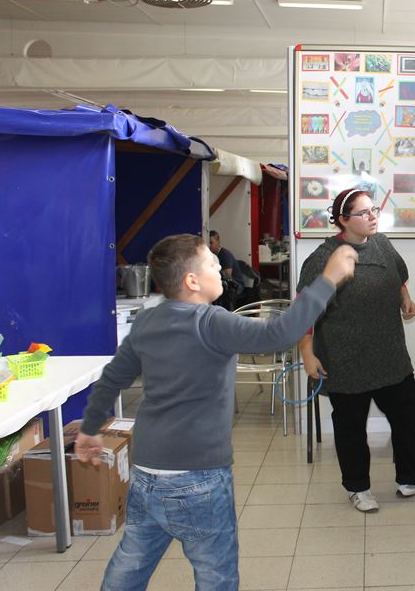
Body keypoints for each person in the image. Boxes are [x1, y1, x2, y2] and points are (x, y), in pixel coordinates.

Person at [74, 233, 357, 591]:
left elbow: (113, 377)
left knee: (130, 563)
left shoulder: (146, 322)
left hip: (146, 471)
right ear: (192, 281)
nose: (221, 269)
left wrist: (89, 429)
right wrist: (328, 279)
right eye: (212, 263)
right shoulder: (211, 322)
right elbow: (279, 333)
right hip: (199, 477)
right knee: (215, 574)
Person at [298, 188, 415, 514]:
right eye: (363, 213)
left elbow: (398, 276)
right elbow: (304, 310)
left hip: (389, 353)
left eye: (373, 209)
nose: (372, 216)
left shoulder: (382, 243)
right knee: (351, 426)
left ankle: (411, 480)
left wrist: (405, 298)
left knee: (409, 411)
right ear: (343, 220)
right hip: (345, 357)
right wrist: (307, 353)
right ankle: (358, 488)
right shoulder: (323, 258)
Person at [208, 230, 244, 295]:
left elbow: (227, 276)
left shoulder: (225, 254)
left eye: (211, 243)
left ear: (218, 242)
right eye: (208, 243)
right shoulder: (213, 255)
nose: (209, 245)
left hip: (236, 285)